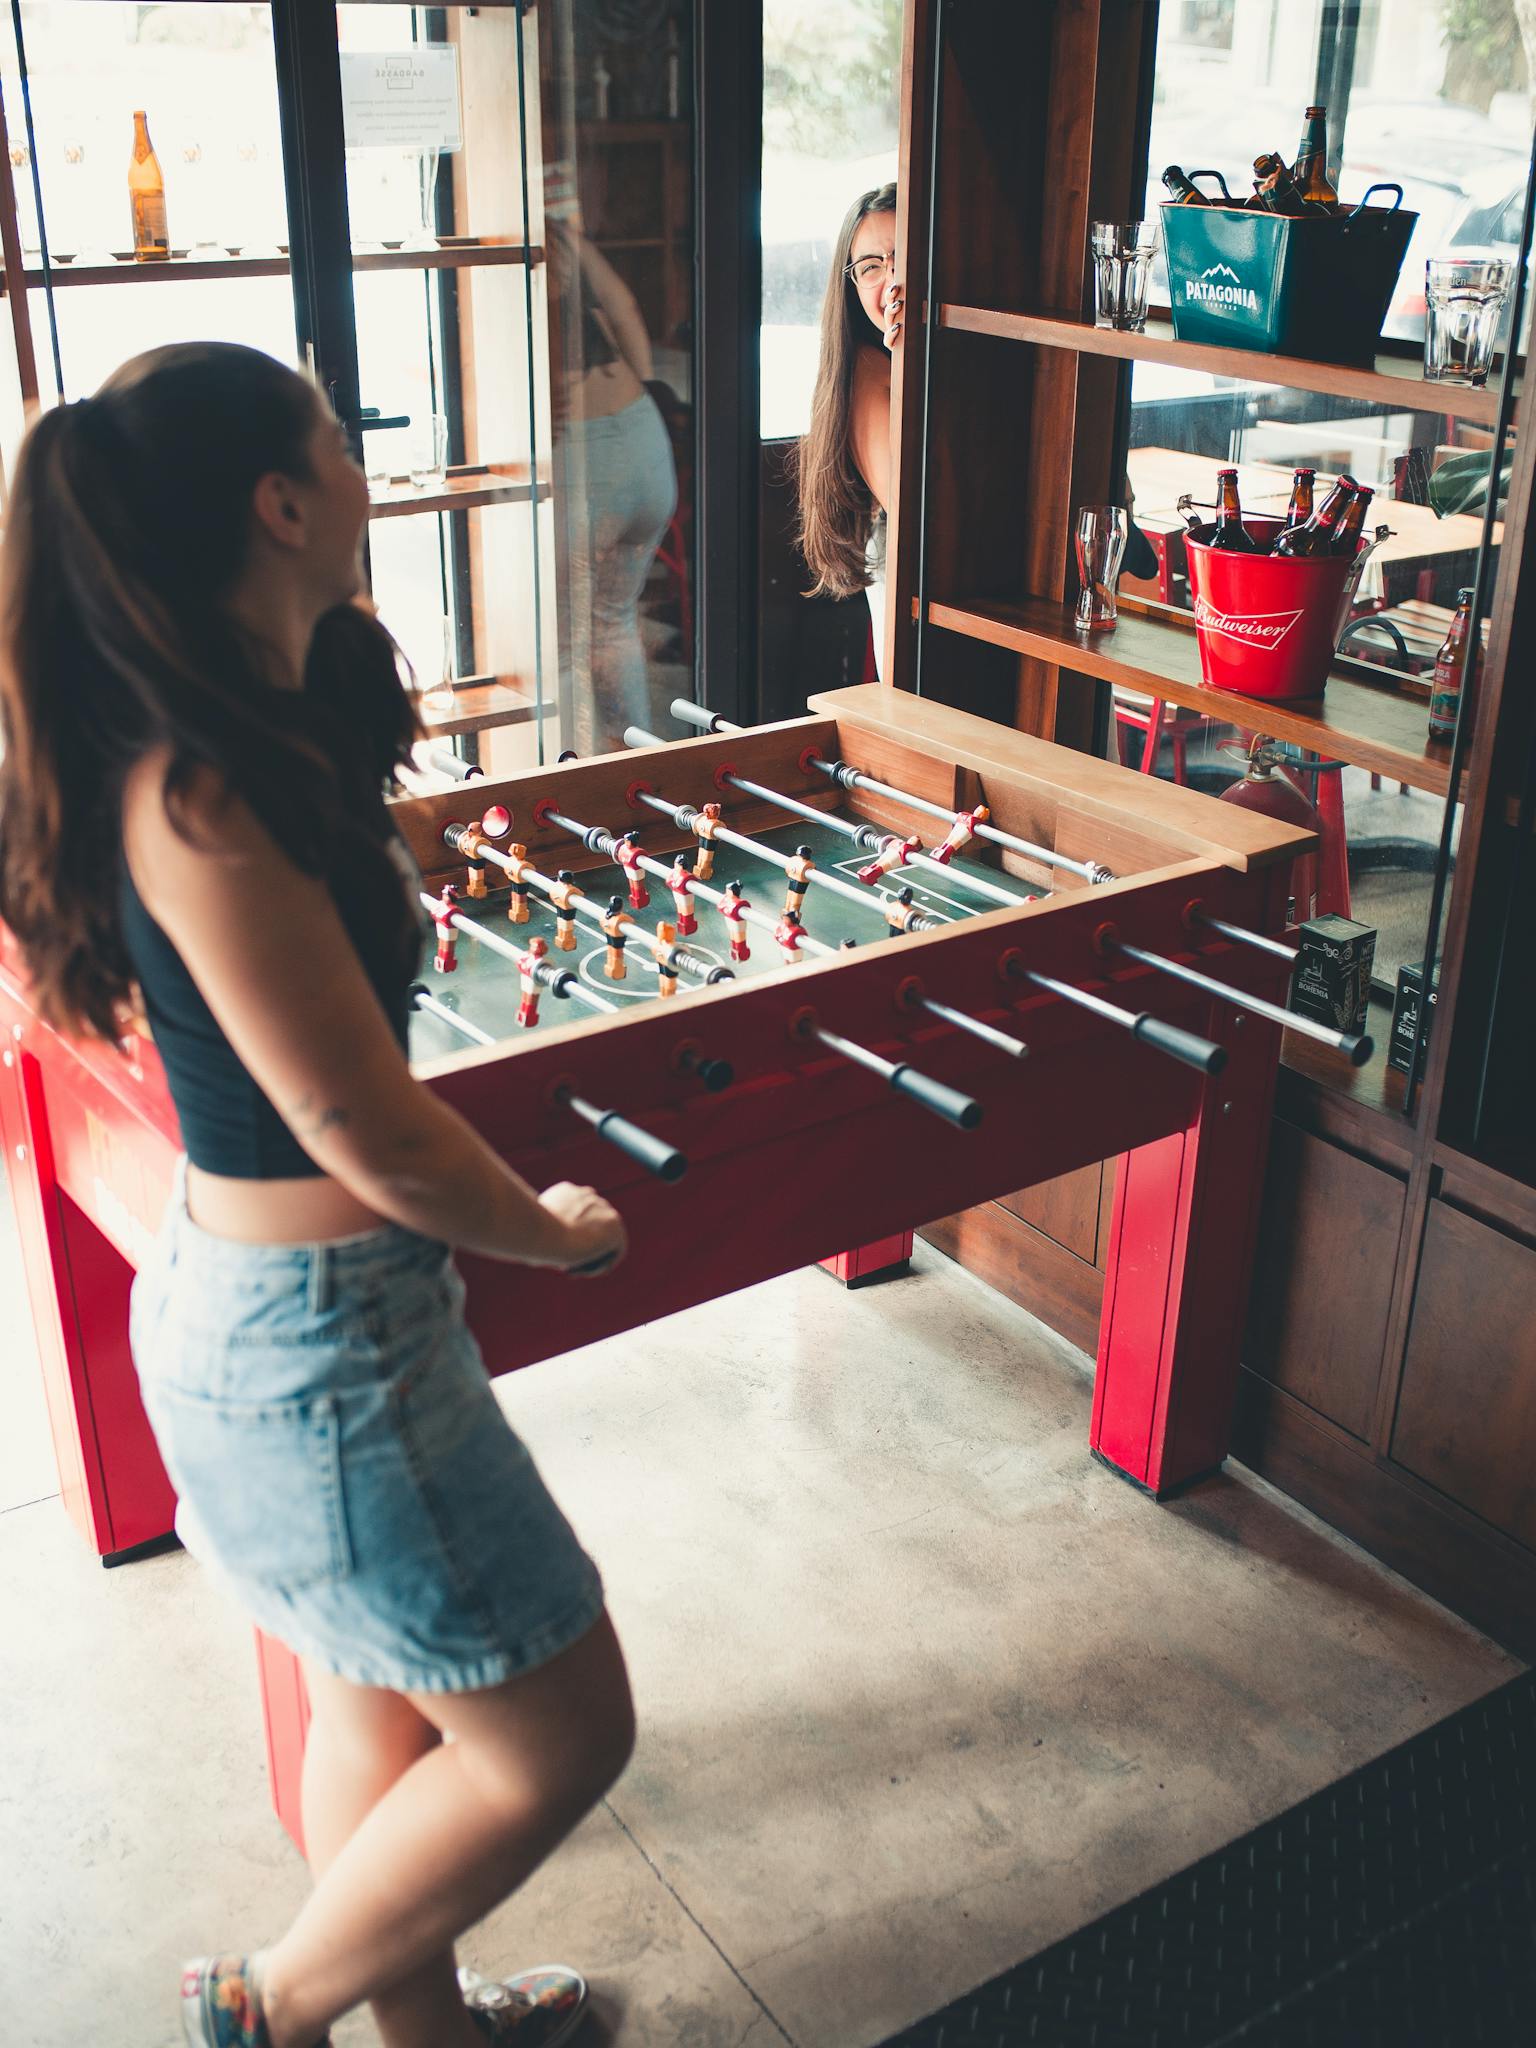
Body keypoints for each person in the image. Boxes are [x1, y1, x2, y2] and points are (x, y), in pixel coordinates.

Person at [0, 342, 635, 2048]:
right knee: (565, 1732)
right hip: (321, 1352)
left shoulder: (249, 724)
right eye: (339, 445)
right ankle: (264, 2007)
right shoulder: (196, 790)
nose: (363, 466)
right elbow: (367, 1124)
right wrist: (549, 1231)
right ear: (282, 502)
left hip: (292, 1326)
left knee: (384, 1715)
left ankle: (429, 2037)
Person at [547, 210, 679, 755]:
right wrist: (645, 391)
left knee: (556, 639)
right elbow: (623, 310)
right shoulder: (558, 238)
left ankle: (563, 793)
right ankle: (635, 776)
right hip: (643, 435)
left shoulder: (498, 252)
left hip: (586, 457)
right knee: (614, 620)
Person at [794, 182, 903, 678]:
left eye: (903, 257)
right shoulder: (867, 367)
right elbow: (914, 505)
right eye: (872, 268)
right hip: (920, 612)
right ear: (852, 285)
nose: (892, 281)